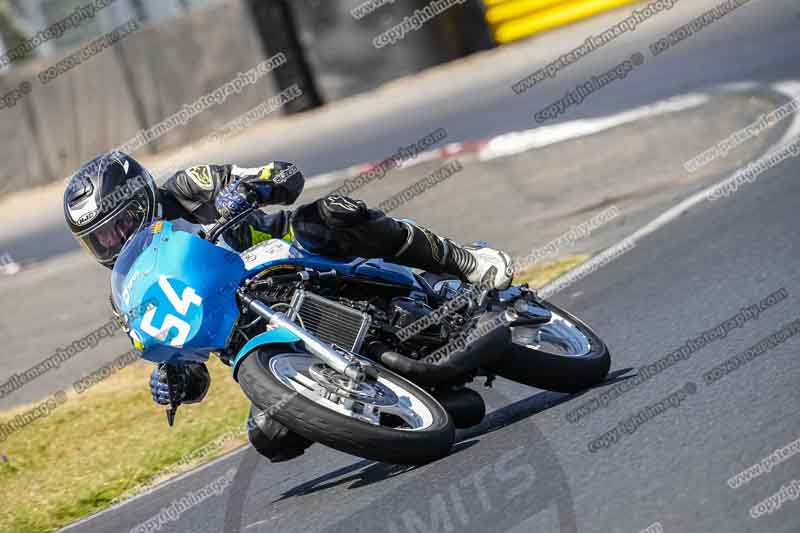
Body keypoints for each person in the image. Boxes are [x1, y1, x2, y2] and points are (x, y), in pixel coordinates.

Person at [63, 151, 514, 461]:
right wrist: (175, 377)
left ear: (140, 198)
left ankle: (464, 261)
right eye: (99, 239)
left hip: (288, 261)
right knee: (270, 436)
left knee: (329, 214)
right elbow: (189, 356)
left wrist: (246, 190)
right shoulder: (128, 289)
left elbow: (284, 175)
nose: (114, 242)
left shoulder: (186, 190)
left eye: (118, 225)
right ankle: (402, 404)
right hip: (261, 338)